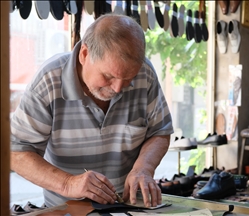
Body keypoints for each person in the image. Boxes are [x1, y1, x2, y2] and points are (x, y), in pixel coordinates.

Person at [10, 14, 173, 208]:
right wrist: (68, 183)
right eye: (108, 76)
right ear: (84, 54)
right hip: (67, 210)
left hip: (128, 207)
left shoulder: (144, 74)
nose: (118, 88)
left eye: (128, 78)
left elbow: (160, 132)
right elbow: (16, 153)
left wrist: (144, 167)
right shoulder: (48, 81)